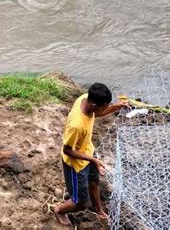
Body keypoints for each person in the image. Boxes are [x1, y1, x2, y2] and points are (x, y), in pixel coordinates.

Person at [54, 83, 129, 225]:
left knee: (94, 182)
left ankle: (99, 210)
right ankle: (59, 210)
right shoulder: (76, 125)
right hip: (75, 164)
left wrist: (117, 106)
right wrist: (93, 160)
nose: (104, 110)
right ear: (94, 105)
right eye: (103, 106)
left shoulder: (85, 98)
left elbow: (98, 112)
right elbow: (67, 150)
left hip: (88, 151)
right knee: (81, 202)